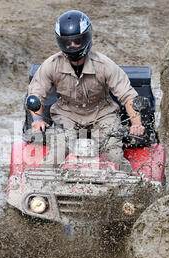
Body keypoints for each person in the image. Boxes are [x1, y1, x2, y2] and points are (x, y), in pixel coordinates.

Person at [27, 10, 144, 169]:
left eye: (77, 41)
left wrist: (136, 123)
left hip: (103, 114)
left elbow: (128, 95)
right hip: (67, 114)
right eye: (67, 42)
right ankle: (41, 188)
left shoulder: (104, 65)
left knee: (114, 154)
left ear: (86, 38)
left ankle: (132, 188)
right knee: (56, 155)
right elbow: (35, 94)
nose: (72, 46)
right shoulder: (51, 65)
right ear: (60, 42)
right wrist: (37, 119)